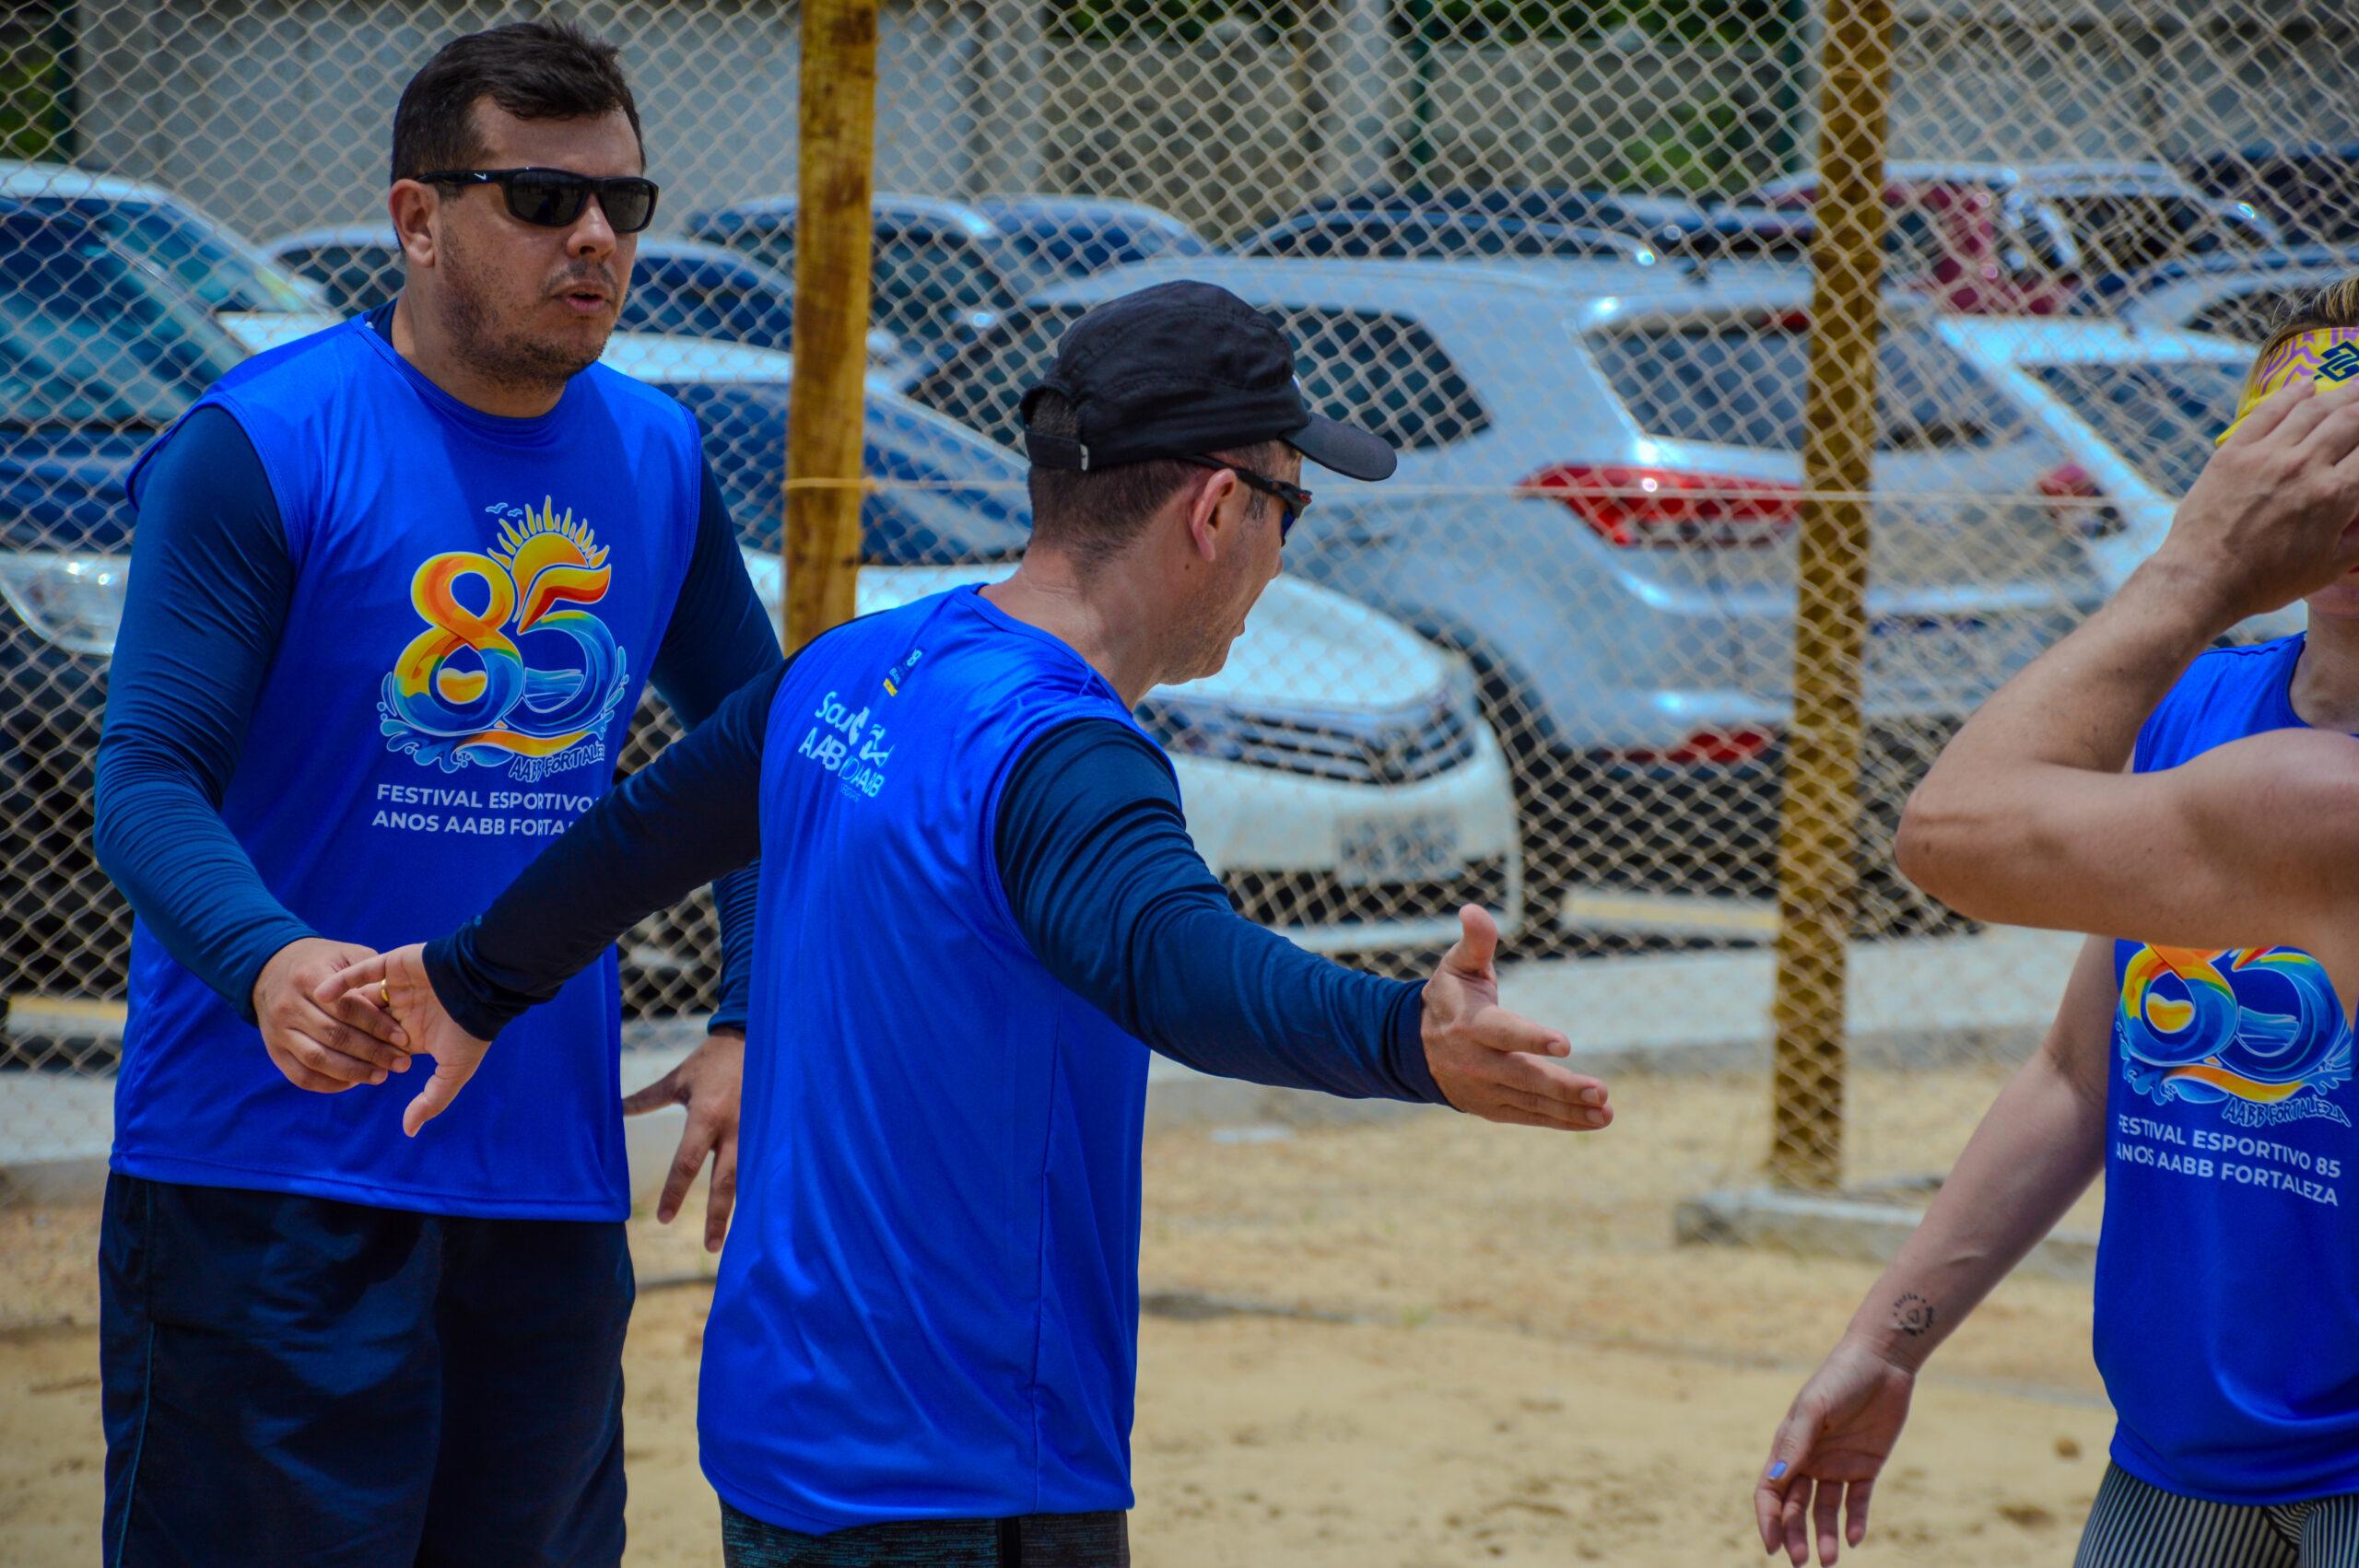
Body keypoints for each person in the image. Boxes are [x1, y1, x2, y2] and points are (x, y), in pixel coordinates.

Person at [323, 279, 1615, 1566]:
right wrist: (1401, 1033)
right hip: (963, 1474)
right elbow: (1175, 960)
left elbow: (637, 835)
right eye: (1291, 506)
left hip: (780, 1439)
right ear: (1218, 509)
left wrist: (476, 978)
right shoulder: (1059, 748)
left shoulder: (851, 665)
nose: (1284, 553)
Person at [89, 20, 780, 1564]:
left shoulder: (658, 455)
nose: (593, 236)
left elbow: (765, 757)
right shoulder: (263, 443)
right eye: (541, 199)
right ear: (417, 218)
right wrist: (267, 957)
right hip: (265, 1180)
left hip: (544, 1189)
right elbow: (142, 779)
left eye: (621, 203)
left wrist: (752, 1011)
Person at [1753, 283, 2359, 1568]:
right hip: (2181, 1452)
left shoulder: (2319, 800)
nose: (2328, 481)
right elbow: (2087, 1066)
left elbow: (1950, 832)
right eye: (2293, 441)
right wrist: (1888, 1337)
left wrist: (2196, 566)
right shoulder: (2203, 711)